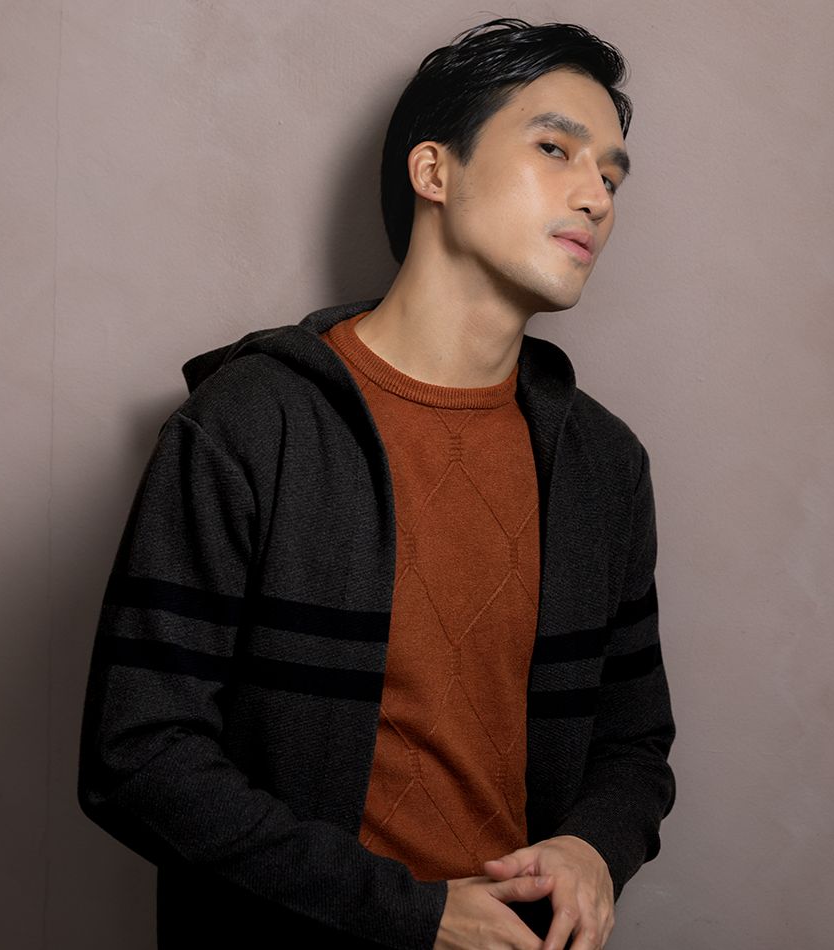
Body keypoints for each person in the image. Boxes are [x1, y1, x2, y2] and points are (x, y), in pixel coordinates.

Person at [78, 19, 674, 950]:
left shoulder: (603, 465)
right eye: (556, 149)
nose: (596, 194)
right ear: (434, 171)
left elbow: (634, 743)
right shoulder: (250, 423)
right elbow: (138, 754)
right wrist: (412, 914)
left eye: (612, 174)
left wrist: (595, 848)